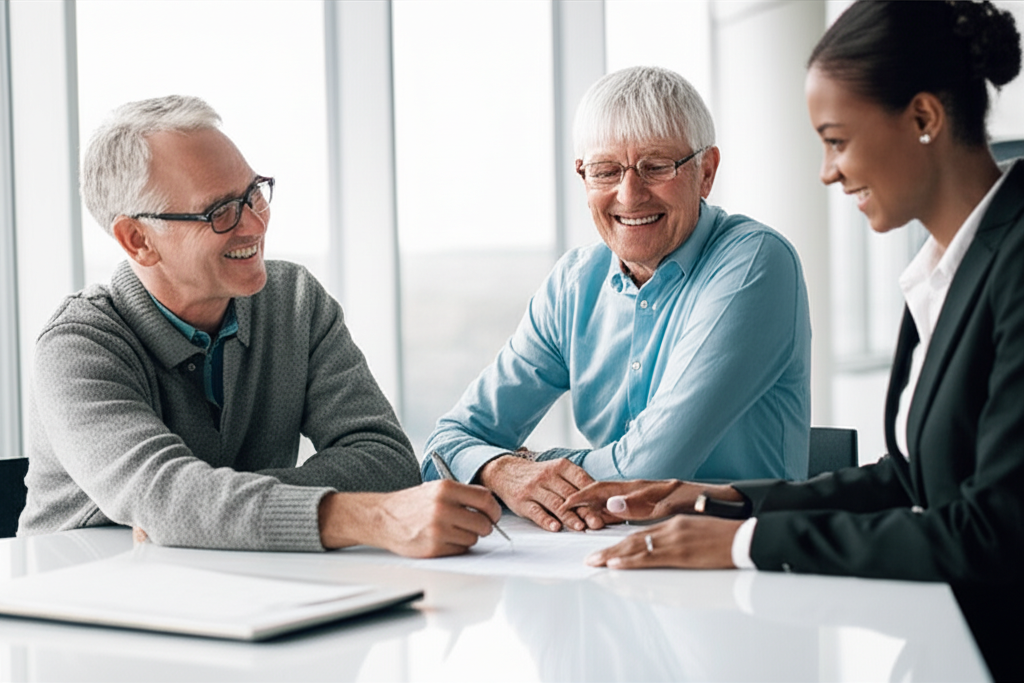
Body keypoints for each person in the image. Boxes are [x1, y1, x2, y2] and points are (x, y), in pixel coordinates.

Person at [564, 1, 1024, 679]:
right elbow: (914, 477)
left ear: (924, 119)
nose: (826, 172)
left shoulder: (1013, 265)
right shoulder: (946, 266)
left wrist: (747, 543)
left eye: (837, 140)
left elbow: (994, 534)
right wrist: (725, 500)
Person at [19, 95, 501, 557]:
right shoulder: (76, 347)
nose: (254, 224)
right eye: (219, 212)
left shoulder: (294, 301)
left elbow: (386, 460)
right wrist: (372, 518)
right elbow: (167, 497)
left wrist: (208, 508)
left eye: (254, 194)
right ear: (138, 239)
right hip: (85, 610)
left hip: (243, 588)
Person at [424, 66, 811, 534]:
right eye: (606, 171)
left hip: (742, 565)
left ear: (705, 172)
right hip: (598, 557)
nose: (629, 195)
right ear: (583, 176)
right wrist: (503, 470)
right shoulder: (574, 283)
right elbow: (445, 446)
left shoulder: (755, 262)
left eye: (656, 167)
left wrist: (531, 463)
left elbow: (644, 470)